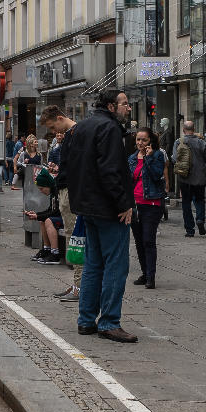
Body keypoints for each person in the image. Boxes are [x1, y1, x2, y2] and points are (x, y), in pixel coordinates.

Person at [59, 89, 137, 343]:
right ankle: (110, 322)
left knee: (92, 264)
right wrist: (124, 203)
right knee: (116, 264)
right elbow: (111, 171)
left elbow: (69, 165)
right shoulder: (110, 129)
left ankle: (86, 320)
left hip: (86, 206)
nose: (129, 108)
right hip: (108, 208)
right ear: (112, 107)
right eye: (125, 104)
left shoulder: (81, 127)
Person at [40, 105, 81, 302]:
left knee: (76, 240)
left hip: (72, 193)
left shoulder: (76, 134)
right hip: (67, 190)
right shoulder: (70, 135)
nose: (53, 132)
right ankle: (77, 284)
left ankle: (80, 287)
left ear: (59, 118)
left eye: (52, 127)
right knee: (73, 239)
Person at [129, 127, 166, 289]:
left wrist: (148, 158)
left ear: (150, 140)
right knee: (138, 241)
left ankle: (151, 276)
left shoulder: (157, 155)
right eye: (138, 139)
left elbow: (157, 175)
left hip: (152, 203)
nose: (140, 143)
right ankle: (145, 273)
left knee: (148, 240)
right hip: (134, 205)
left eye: (144, 140)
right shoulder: (131, 158)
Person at [173, 120, 206, 237]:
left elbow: (174, 159)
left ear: (183, 130)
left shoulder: (178, 142)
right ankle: (200, 219)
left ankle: (189, 230)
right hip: (199, 178)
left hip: (184, 177)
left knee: (186, 203)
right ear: (194, 130)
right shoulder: (201, 143)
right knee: (199, 200)